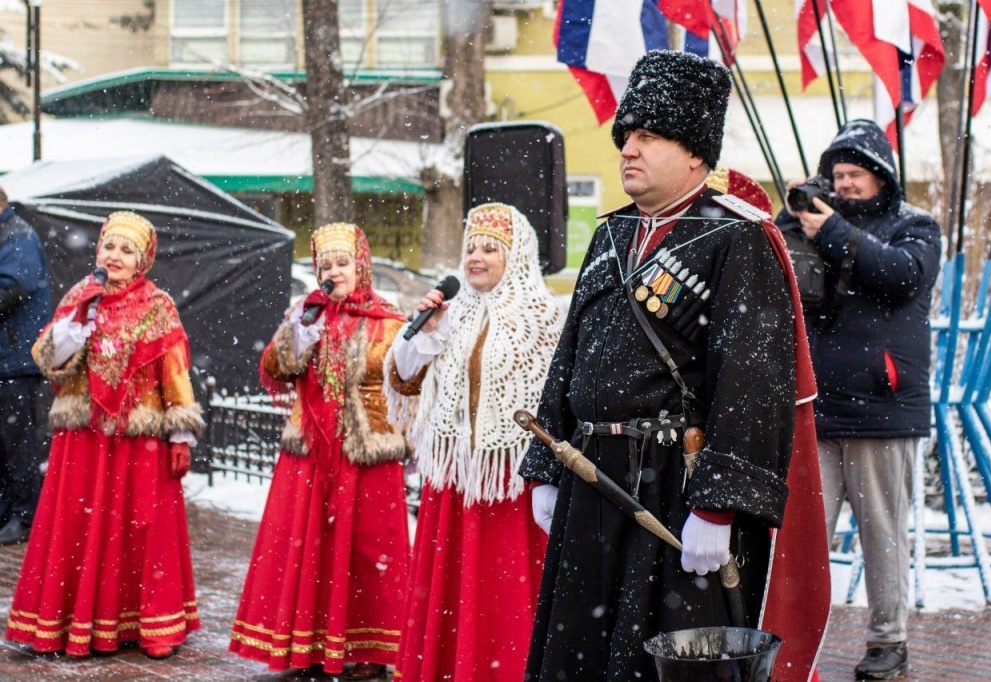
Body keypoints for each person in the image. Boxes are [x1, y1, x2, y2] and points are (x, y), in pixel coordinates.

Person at [518, 51, 829, 682]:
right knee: (579, 656)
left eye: (649, 136)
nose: (628, 149)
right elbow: (569, 356)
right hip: (590, 479)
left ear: (694, 153)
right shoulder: (611, 235)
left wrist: (718, 506)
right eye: (626, 136)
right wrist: (547, 464)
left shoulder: (737, 237)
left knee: (661, 662)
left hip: (671, 487)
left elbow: (752, 386)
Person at [775, 119, 942, 680]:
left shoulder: (914, 226)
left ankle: (888, 643)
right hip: (817, 409)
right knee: (803, 540)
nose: (844, 184)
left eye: (855, 175)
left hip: (881, 409)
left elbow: (899, 276)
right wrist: (793, 215)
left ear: (881, 177)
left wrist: (833, 229)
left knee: (882, 538)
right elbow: (780, 271)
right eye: (837, 175)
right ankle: (792, 641)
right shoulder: (814, 221)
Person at [5, 211, 203, 659]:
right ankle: (79, 620)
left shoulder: (158, 306)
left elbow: (174, 373)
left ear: (143, 259)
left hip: (139, 435)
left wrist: (180, 434)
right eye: (109, 247)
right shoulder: (81, 294)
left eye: (126, 250)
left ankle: (150, 622)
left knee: (141, 527)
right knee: (80, 525)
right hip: (86, 435)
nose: (115, 256)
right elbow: (49, 360)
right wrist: (76, 320)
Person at [384, 203, 564, 682]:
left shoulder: (545, 317)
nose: (476, 258)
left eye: (490, 249)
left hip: (512, 480)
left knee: (505, 592)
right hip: (455, 478)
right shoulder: (450, 314)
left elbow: (558, 399)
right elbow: (404, 378)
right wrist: (425, 333)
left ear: (517, 255)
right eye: (471, 248)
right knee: (449, 591)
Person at [229, 222, 411, 680]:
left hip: (366, 453)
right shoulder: (306, 314)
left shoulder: (389, 321)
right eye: (325, 265)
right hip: (311, 450)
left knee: (369, 550)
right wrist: (299, 329)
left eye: (343, 263)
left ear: (361, 265)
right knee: (308, 546)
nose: (334, 272)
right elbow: (277, 368)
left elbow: (407, 382)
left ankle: (371, 649)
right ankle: (306, 644)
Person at [0, 186, 51, 545]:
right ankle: (7, 511)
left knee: (17, 442)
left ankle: (25, 515)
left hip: (15, 359)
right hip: (7, 358)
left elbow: (13, 288)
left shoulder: (17, 235)